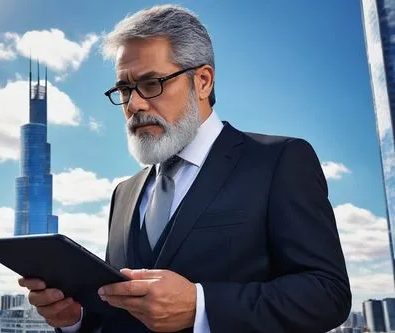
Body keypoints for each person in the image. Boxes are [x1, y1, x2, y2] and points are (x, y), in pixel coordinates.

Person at [18, 4, 351, 333]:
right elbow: (117, 314)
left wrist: (200, 304)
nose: (134, 104)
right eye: (124, 89)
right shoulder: (124, 192)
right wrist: (74, 320)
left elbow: (328, 294)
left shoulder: (279, 161)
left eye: (151, 84)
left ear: (203, 82)